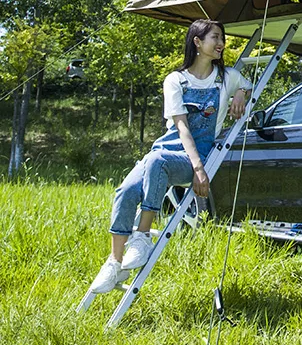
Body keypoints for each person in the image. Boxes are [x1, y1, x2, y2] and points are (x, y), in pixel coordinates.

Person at [89, 19, 252, 293]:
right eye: (214, 37)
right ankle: (115, 264)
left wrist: (239, 94)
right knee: (126, 190)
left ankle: (142, 236)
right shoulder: (175, 80)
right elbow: (182, 127)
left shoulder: (227, 76)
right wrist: (199, 169)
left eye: (222, 37)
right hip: (170, 147)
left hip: (194, 155)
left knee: (157, 162)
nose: (221, 42)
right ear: (197, 42)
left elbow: (246, 84)